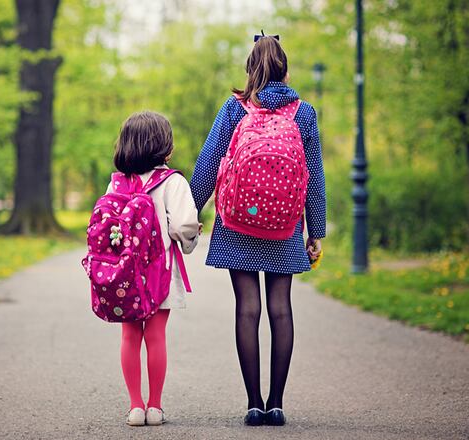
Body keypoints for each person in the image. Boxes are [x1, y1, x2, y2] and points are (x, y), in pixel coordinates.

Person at [189, 35, 326, 426]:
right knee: (280, 310)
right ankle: (277, 404)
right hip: (284, 225)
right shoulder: (304, 113)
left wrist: (187, 213)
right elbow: (313, 176)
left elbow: (207, 165)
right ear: (284, 69)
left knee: (247, 310)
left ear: (251, 68)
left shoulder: (234, 109)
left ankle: (253, 404)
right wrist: (315, 229)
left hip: (236, 224)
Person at [108, 111, 200, 426]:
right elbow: (184, 225)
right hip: (161, 271)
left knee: (129, 336)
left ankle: (135, 406)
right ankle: (155, 407)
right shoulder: (173, 182)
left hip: (124, 275)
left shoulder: (117, 182)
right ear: (165, 147)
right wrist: (189, 241)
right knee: (156, 336)